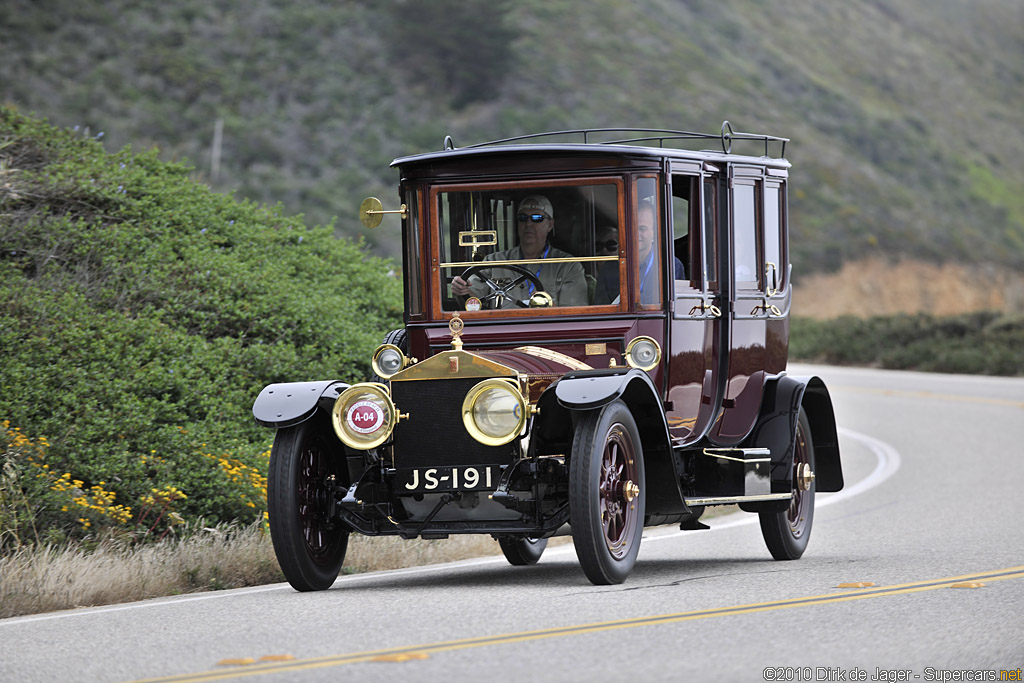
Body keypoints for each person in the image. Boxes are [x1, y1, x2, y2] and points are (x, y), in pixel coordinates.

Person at [451, 195, 587, 308]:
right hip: (501, 334)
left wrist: (549, 306)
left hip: (547, 334)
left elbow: (573, 313)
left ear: (550, 225)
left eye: (536, 218)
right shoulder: (494, 262)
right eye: (523, 218)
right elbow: (473, 299)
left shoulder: (568, 266)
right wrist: (461, 289)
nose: (528, 224)